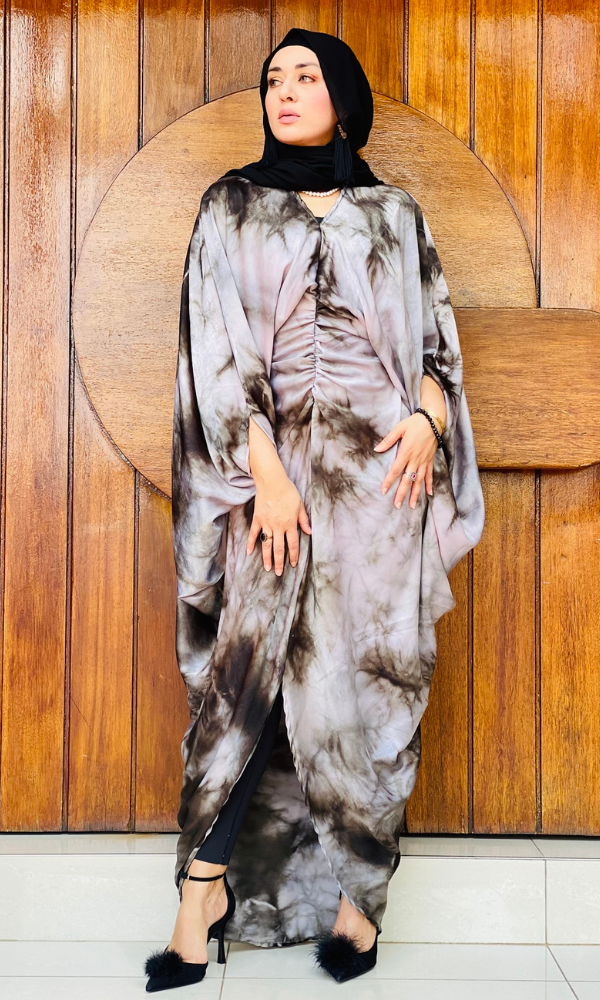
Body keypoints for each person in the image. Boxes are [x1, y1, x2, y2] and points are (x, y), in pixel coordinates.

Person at [144, 26, 485, 993]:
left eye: (307, 76)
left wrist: (426, 418)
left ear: (343, 96)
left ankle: (357, 901)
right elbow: (213, 350)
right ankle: (202, 891)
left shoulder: (394, 213)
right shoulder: (230, 207)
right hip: (268, 490)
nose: (285, 91)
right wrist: (268, 475)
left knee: (373, 689)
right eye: (273, 79)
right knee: (248, 688)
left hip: (382, 494)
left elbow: (439, 346)